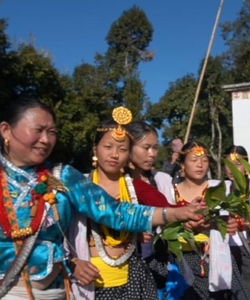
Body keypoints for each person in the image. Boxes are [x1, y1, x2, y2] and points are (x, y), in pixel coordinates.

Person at [0, 98, 199, 300]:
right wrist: (74, 263)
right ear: (6, 130)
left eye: (51, 132)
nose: (45, 139)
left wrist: (175, 213)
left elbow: (114, 212)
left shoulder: (62, 176)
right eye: (38, 130)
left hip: (56, 292)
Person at [69, 114, 176, 299]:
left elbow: (167, 210)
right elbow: (57, 235)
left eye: (122, 149)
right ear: (95, 149)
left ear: (129, 154)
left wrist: (193, 214)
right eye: (108, 147)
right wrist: (73, 262)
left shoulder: (135, 187)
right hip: (90, 282)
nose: (114, 154)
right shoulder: (78, 187)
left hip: (134, 280)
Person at [168, 141, 250, 300]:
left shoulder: (220, 188)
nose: (200, 165)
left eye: (204, 160)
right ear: (182, 163)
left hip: (217, 258)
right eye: (194, 160)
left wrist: (237, 223)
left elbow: (238, 219)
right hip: (185, 261)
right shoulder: (171, 192)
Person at [126, 120, 175, 299]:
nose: (152, 154)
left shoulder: (160, 180)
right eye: (146, 147)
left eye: (155, 148)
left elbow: (170, 211)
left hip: (157, 260)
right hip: (126, 264)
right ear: (128, 147)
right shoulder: (117, 182)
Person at [219, 145, 250, 300]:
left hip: (249, 250)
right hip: (226, 252)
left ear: (246, 166)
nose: (232, 169)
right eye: (228, 164)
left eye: (238, 164)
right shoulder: (219, 189)